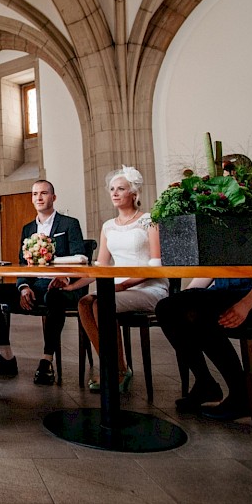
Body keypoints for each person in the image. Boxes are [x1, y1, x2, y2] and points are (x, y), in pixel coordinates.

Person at [0, 179, 89, 385]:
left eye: (44, 193)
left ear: (53, 197)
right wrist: (23, 287)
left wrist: (64, 277)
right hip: (35, 286)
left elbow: (80, 257)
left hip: (63, 287)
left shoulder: (69, 224)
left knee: (53, 296)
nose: (39, 197)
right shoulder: (28, 228)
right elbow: (23, 264)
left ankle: (47, 360)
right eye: (35, 194)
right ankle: (6, 356)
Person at [77, 166, 169, 393]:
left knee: (102, 303)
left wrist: (124, 284)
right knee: (84, 303)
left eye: (121, 188)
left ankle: (116, 371)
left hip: (148, 288)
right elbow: (101, 267)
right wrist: (71, 283)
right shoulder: (108, 226)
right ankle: (115, 366)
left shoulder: (149, 220)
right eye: (111, 189)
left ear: (134, 194)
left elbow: (156, 265)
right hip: (117, 288)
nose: (115, 193)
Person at [156, 275, 252, 421]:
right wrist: (187, 294)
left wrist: (245, 304)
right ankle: (205, 383)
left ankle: (242, 396)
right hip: (224, 293)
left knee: (199, 313)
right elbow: (211, 268)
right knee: (168, 308)